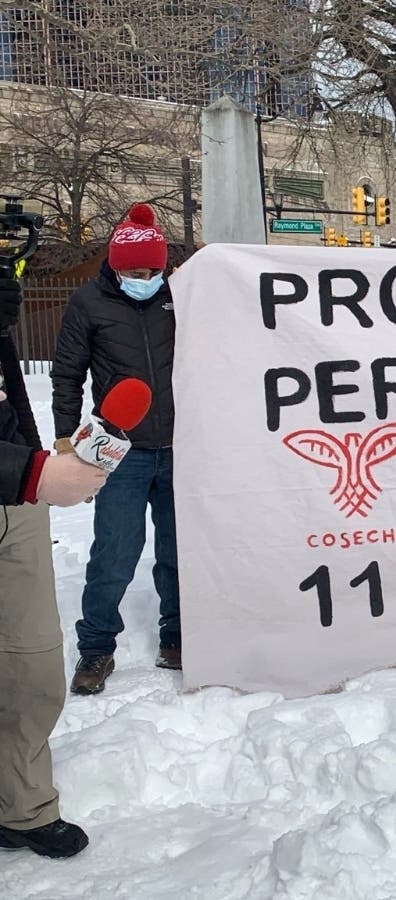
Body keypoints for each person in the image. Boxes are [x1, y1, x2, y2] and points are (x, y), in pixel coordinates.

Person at [52, 203, 178, 695]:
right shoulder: (88, 302)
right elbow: (66, 375)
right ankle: (97, 647)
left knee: (179, 550)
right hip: (119, 452)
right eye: (130, 271)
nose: (140, 278)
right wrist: (66, 442)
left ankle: (179, 636)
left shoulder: (180, 297)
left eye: (150, 271)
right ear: (115, 267)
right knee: (114, 553)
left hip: (181, 448)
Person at [0, 278, 107, 859]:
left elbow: (13, 400)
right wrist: (33, 474)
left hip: (16, 504)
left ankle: (22, 807)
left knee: (32, 669)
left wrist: (34, 470)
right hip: (21, 480)